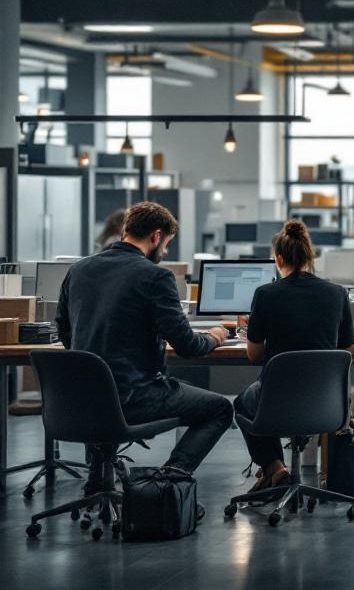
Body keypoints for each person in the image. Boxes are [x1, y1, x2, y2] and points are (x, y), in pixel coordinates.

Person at [55, 201, 232, 519]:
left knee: (103, 389)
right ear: (156, 236)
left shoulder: (78, 270)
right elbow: (188, 345)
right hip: (136, 397)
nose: (164, 250)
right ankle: (166, 482)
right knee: (220, 409)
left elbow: (64, 331)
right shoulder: (155, 277)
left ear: (125, 230)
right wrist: (217, 335)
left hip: (82, 400)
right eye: (166, 244)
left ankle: (97, 481)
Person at [234, 220, 354, 493]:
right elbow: (348, 350)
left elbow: (254, 355)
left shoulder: (266, 294)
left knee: (242, 402)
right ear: (310, 256)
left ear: (278, 259)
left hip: (276, 402)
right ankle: (276, 471)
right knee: (258, 396)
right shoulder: (337, 294)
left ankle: (274, 467)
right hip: (326, 402)